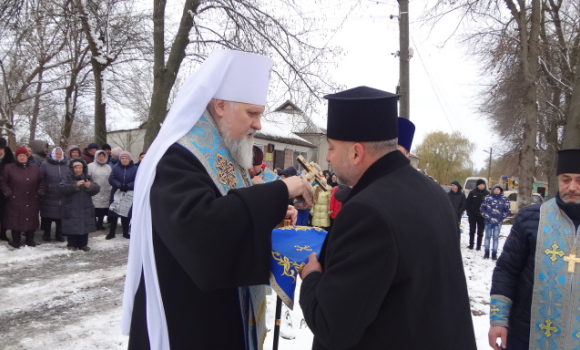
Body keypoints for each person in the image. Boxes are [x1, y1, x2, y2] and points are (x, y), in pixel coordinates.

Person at [121, 49, 312, 350]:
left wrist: (271, 217)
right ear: (220, 106)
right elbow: (203, 230)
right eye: (252, 113)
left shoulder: (225, 152)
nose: (258, 125)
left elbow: (234, 213)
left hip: (223, 313)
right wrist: (280, 191)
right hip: (190, 320)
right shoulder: (176, 157)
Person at [298, 86, 476, 350]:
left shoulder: (367, 212)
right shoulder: (430, 191)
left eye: (332, 148)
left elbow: (332, 325)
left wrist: (311, 276)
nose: (327, 157)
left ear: (357, 153)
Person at [488, 149, 580, 350]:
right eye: (566, 179)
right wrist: (499, 319)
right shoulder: (531, 218)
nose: (572, 187)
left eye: (579, 180)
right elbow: (507, 270)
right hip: (527, 333)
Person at [0, 147, 45, 248]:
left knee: (31, 219)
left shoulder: (35, 168)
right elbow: (2, 182)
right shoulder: (9, 167)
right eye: (19, 156)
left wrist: (40, 192)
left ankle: (30, 239)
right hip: (15, 199)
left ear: (27, 156)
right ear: (16, 157)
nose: (22, 157)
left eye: (23, 155)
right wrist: (8, 193)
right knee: (15, 219)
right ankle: (16, 240)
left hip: (32, 198)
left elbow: (41, 181)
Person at [59, 158, 100, 251]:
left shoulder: (88, 177)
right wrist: (75, 185)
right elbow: (62, 188)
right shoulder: (67, 177)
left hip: (85, 206)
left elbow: (97, 189)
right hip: (71, 206)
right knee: (72, 225)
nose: (78, 170)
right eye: (76, 168)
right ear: (72, 168)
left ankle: (83, 244)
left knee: (84, 225)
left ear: (83, 168)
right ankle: (72, 244)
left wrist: (89, 185)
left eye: (80, 167)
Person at [39, 147, 68, 242]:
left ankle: (58, 234)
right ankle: (47, 234)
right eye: (57, 154)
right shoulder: (45, 164)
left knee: (60, 216)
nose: (58, 156)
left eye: (60, 154)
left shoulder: (67, 164)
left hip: (62, 194)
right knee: (48, 216)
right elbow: (40, 178)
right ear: (52, 154)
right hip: (49, 194)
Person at [107, 151, 136, 240]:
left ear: (129, 159)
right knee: (114, 212)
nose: (124, 160)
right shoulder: (116, 167)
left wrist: (128, 186)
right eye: (122, 158)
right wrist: (119, 185)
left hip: (128, 193)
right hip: (117, 192)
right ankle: (112, 232)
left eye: (126, 158)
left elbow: (137, 179)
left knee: (126, 212)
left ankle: (125, 232)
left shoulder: (135, 168)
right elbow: (111, 178)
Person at [480, 184, 510, 260]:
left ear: (500, 190)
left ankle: (494, 253)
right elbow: (482, 209)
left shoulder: (504, 199)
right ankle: (486, 253)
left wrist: (501, 217)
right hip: (488, 222)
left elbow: (507, 211)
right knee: (487, 237)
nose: (496, 190)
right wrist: (487, 217)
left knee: (495, 238)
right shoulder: (487, 198)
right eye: (495, 189)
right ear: (493, 190)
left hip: (498, 223)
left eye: (498, 189)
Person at [88, 150, 112, 231]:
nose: (101, 158)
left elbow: (111, 178)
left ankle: (100, 223)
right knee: (94, 209)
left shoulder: (108, 167)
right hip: (94, 190)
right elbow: (88, 178)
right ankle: (93, 224)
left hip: (105, 191)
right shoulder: (90, 166)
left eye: (103, 156)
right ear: (96, 156)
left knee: (102, 209)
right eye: (99, 156)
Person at [466, 178, 490, 250]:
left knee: (480, 232)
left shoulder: (487, 193)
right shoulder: (472, 193)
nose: (482, 186)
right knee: (472, 231)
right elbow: (468, 203)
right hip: (473, 215)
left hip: (482, 216)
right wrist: (469, 213)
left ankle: (478, 246)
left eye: (483, 185)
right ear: (477, 185)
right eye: (480, 185)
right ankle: (471, 245)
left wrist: (486, 214)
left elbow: (489, 205)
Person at [0, 138, 14, 242]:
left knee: (5, 212)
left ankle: (3, 233)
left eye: (2, 149)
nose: (0, 151)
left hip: (5, 190)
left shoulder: (9, 159)